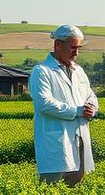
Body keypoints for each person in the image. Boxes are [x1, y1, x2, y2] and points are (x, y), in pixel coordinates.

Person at [30, 24, 98, 186]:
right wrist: (77, 111)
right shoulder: (42, 71)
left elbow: (90, 95)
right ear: (58, 45)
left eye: (79, 48)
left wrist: (92, 108)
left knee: (76, 181)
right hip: (56, 138)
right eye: (73, 47)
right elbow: (44, 103)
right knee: (52, 184)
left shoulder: (79, 71)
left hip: (79, 135)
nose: (76, 52)